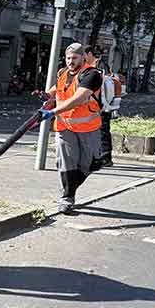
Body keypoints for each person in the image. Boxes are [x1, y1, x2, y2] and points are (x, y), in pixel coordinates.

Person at [40, 43, 103, 215]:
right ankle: (67, 199)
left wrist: (53, 111)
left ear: (83, 57)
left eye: (74, 58)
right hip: (64, 127)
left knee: (90, 165)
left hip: (88, 128)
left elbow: (78, 98)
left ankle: (69, 190)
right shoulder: (63, 73)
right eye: (68, 58)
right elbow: (55, 92)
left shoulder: (92, 74)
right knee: (66, 162)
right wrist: (46, 96)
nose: (70, 61)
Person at [87, 45, 116, 167]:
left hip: (101, 105)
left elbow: (104, 87)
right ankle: (101, 156)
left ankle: (105, 157)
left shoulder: (99, 67)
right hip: (99, 104)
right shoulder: (99, 66)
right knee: (98, 131)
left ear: (89, 54)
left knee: (102, 131)